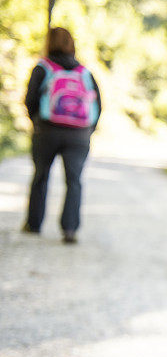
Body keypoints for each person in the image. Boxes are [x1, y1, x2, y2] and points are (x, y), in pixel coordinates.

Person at [23, 27, 101, 244]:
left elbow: (30, 99)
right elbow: (98, 105)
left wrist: (37, 122)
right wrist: (87, 130)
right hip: (78, 134)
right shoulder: (84, 72)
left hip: (47, 130)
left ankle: (34, 224)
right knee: (74, 181)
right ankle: (70, 229)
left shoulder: (43, 67)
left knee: (41, 176)